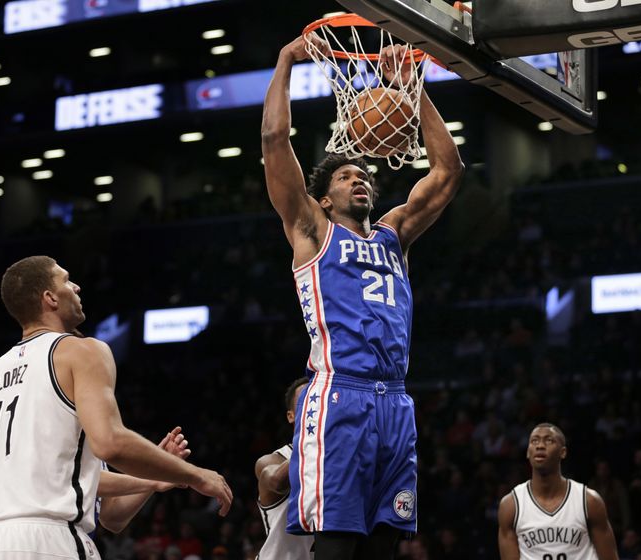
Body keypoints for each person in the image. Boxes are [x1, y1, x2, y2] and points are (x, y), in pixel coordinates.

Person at [262, 32, 464, 559]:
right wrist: (285, 62)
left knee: (384, 546)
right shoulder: (312, 230)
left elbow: (448, 172)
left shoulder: (395, 234)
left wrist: (413, 90)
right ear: (324, 199)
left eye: (364, 176)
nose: (360, 181)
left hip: (395, 399)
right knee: (337, 545)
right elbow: (274, 142)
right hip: (339, 395)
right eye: (346, 176)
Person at [0, 256, 232, 559]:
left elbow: (94, 502)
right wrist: (196, 474)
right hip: (47, 537)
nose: (76, 287)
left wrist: (156, 477)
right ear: (50, 298)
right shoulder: (83, 351)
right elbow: (110, 442)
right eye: (66, 280)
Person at [498, 423, 619, 560]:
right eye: (534, 441)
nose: (540, 446)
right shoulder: (511, 505)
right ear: (527, 452)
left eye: (549, 440)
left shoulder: (589, 501)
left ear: (563, 452)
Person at [255, 377, 314, 560]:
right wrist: (315, 440)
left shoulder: (337, 457)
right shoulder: (272, 460)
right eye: (306, 399)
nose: (314, 407)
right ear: (291, 416)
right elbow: (277, 482)